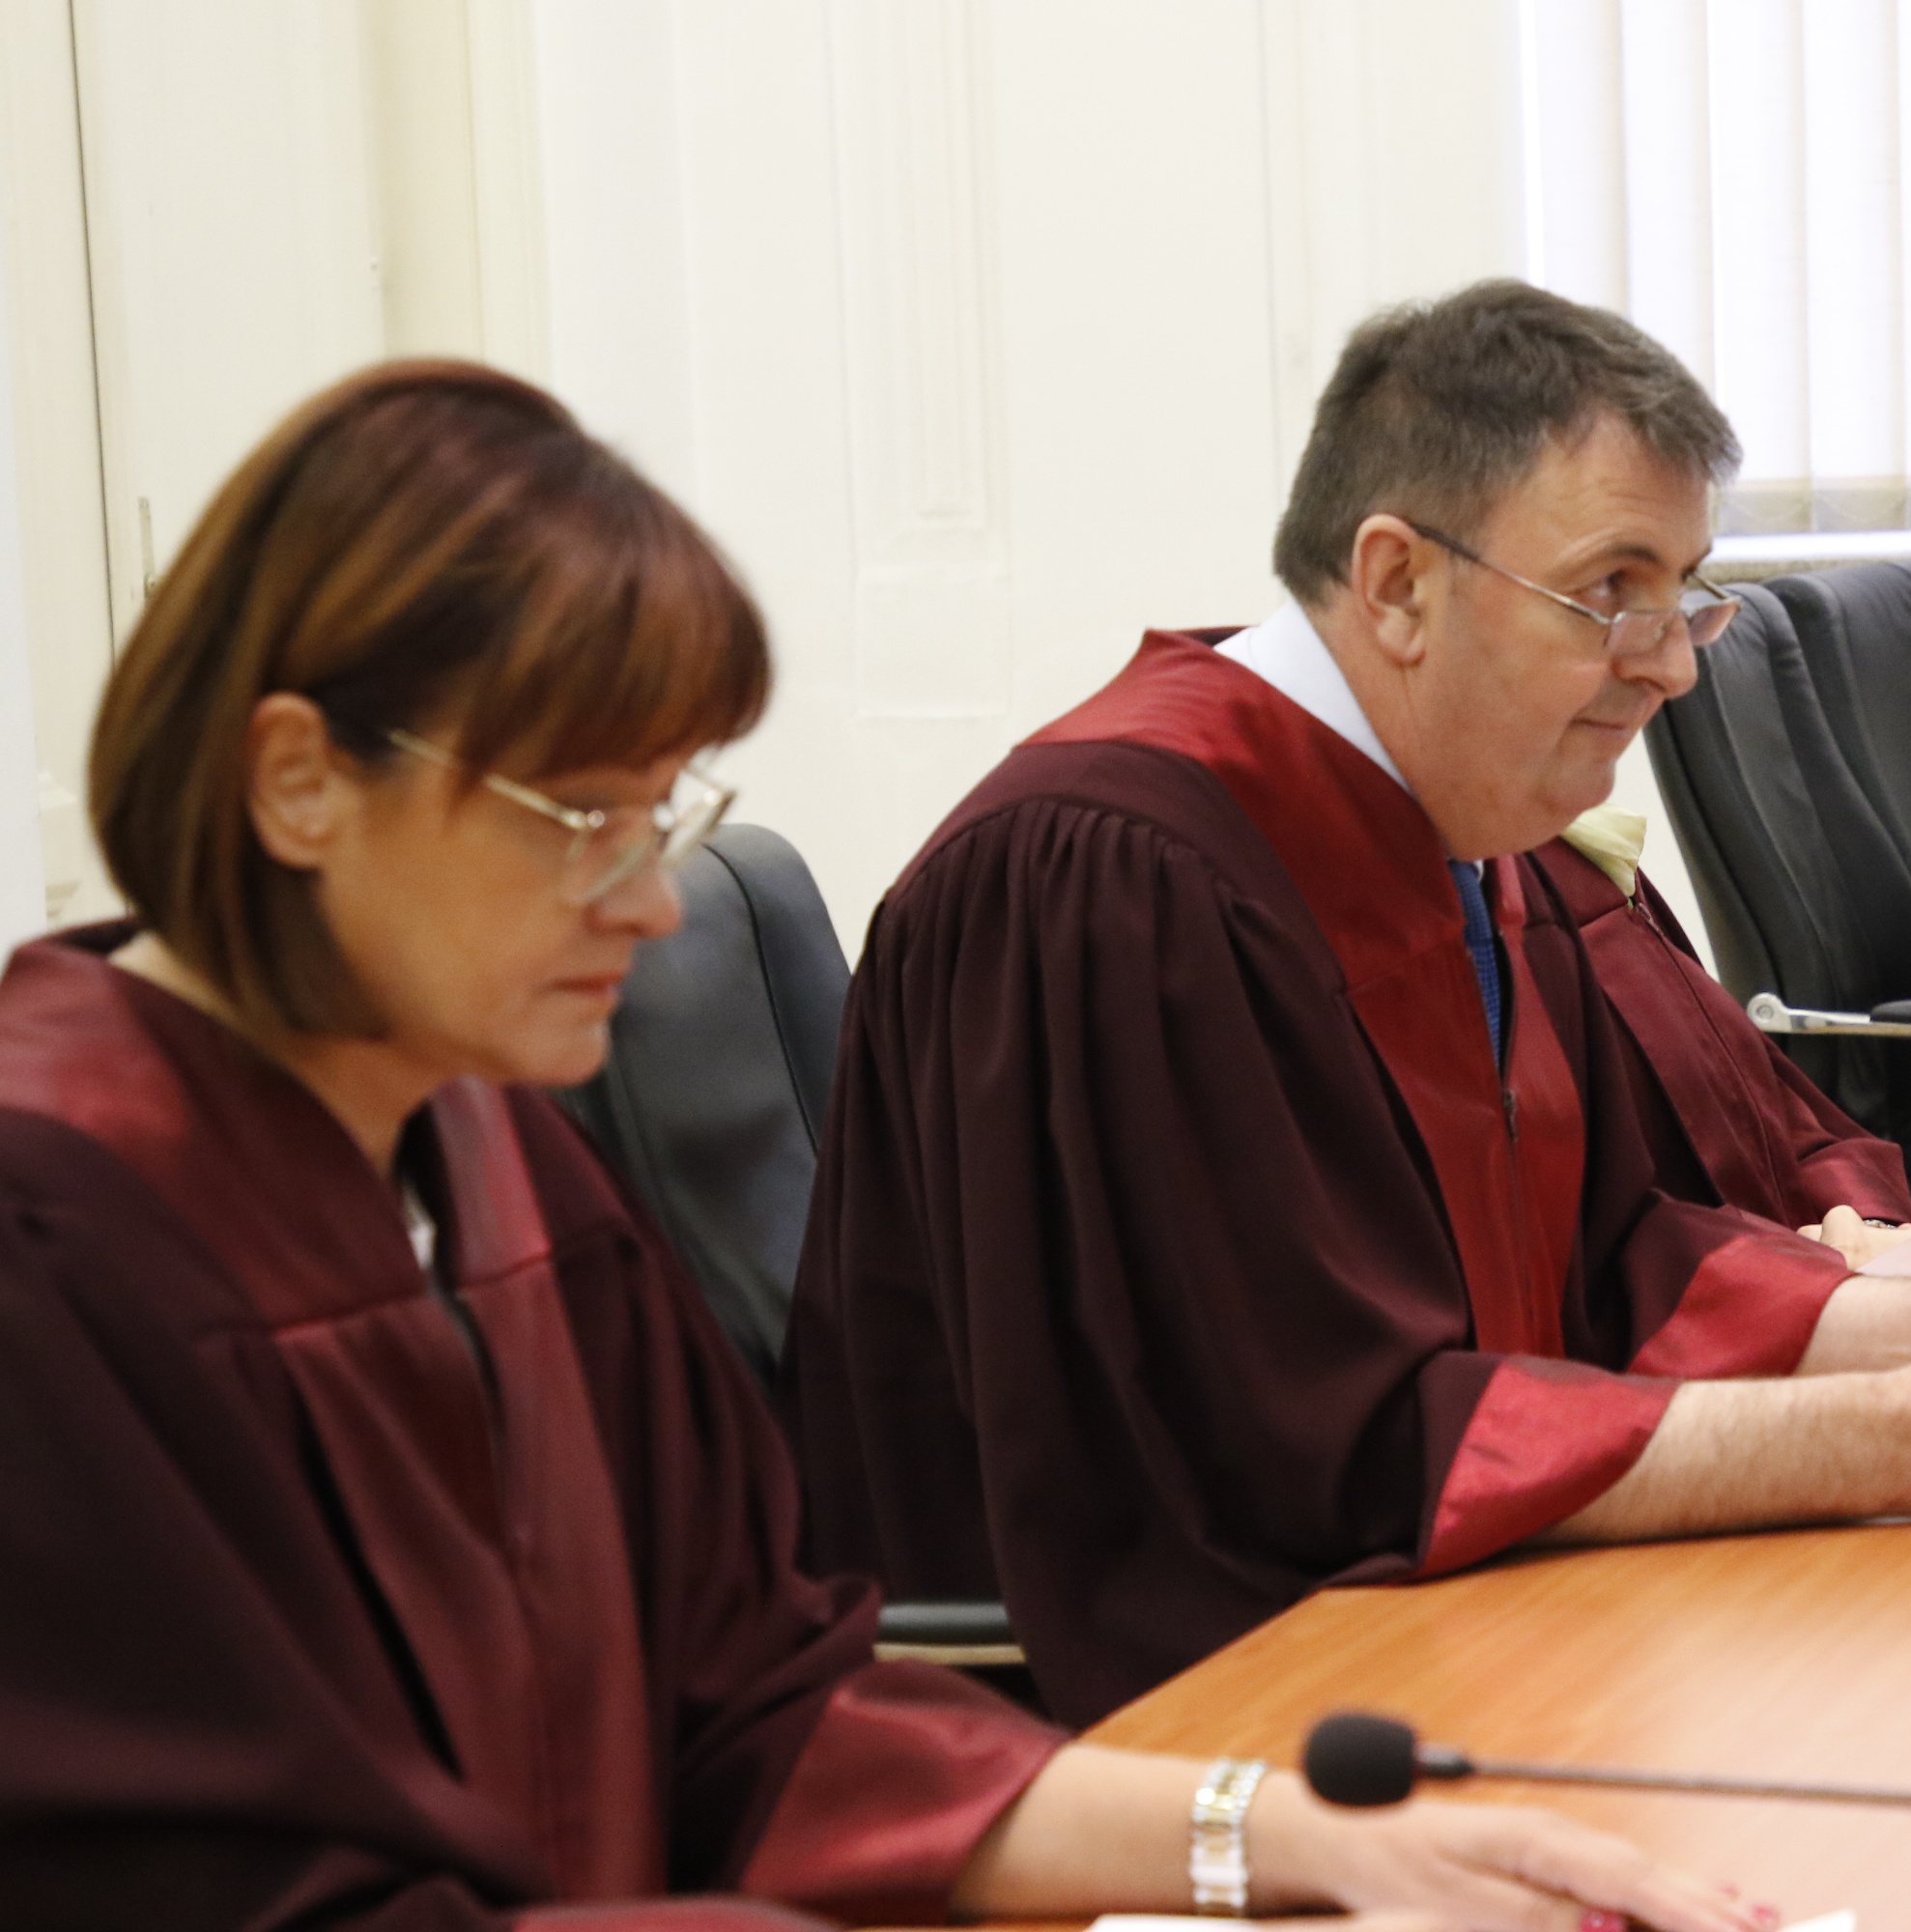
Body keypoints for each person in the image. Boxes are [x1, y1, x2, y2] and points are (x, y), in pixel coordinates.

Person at [0, 360, 1773, 1932]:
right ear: (300, 781)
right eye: (582, 818)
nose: (654, 906)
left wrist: (1296, 1843)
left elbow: (759, 1723)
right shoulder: (57, 1240)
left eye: (664, 813)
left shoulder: (490, 1162)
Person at [787, 280, 1911, 1726]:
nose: (1674, 664)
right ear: (1398, 584)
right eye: (1612, 591)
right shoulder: (1119, 880)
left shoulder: (1461, 831)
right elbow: (1306, 1445)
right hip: (1163, 1714)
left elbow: (1603, 1260)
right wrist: (1900, 1440)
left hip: (1464, 1610)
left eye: (1685, 591)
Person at [1524, 805, 1911, 1232]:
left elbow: (1779, 1115)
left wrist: (1866, 1220)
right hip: (1752, 1263)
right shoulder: (1521, 916)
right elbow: (1619, 1241)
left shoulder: (1593, 856)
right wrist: (1823, 1260)